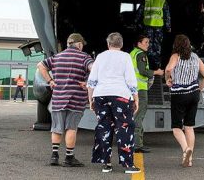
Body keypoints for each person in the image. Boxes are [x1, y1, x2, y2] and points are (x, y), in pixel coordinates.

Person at [87, 32, 141, 174]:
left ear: (108, 44)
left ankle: (106, 163)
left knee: (104, 128)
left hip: (101, 95)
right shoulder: (125, 57)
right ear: (121, 45)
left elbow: (92, 81)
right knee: (124, 127)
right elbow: (130, 79)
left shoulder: (100, 56)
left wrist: (90, 99)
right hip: (121, 96)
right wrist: (136, 97)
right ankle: (128, 165)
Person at [37, 33, 94, 167]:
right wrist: (88, 82)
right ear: (79, 44)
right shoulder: (84, 57)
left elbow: (40, 65)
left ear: (68, 44)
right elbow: (94, 68)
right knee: (71, 128)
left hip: (58, 98)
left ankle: (54, 156)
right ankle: (69, 157)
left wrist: (50, 80)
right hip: (76, 98)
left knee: (56, 128)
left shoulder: (58, 57)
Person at [165, 34, 204, 168]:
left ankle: (186, 149)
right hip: (193, 94)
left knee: (176, 127)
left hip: (179, 95)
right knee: (189, 126)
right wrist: (199, 88)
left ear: (176, 45)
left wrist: (168, 78)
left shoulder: (176, 56)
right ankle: (189, 159)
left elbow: (168, 69)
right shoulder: (195, 57)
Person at [130, 34, 164, 153]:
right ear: (139, 43)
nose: (148, 45)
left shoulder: (132, 53)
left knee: (135, 115)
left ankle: (135, 143)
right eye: (146, 42)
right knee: (138, 116)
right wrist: (157, 72)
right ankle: (137, 145)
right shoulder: (140, 55)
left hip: (133, 89)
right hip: (140, 90)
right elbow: (142, 70)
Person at [136, 0, 170, 70]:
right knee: (157, 47)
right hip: (159, 27)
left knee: (147, 45)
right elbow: (167, 14)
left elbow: (139, 12)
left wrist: (136, 23)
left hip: (147, 26)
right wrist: (168, 27)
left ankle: (147, 65)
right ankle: (157, 67)